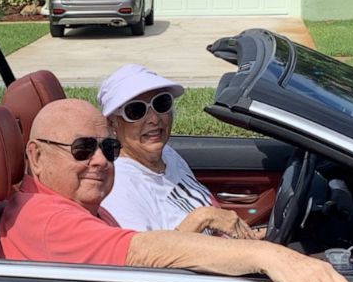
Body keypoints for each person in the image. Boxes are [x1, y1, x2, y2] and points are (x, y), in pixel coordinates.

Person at [0, 99, 353, 282]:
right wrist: (271, 257)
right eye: (81, 149)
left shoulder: (58, 203)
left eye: (108, 149)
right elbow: (144, 251)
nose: (100, 161)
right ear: (37, 156)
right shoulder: (46, 220)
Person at [99, 64, 261, 239]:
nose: (154, 119)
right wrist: (202, 218)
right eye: (136, 111)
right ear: (111, 124)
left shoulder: (168, 154)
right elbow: (146, 259)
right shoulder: (117, 187)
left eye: (161, 103)